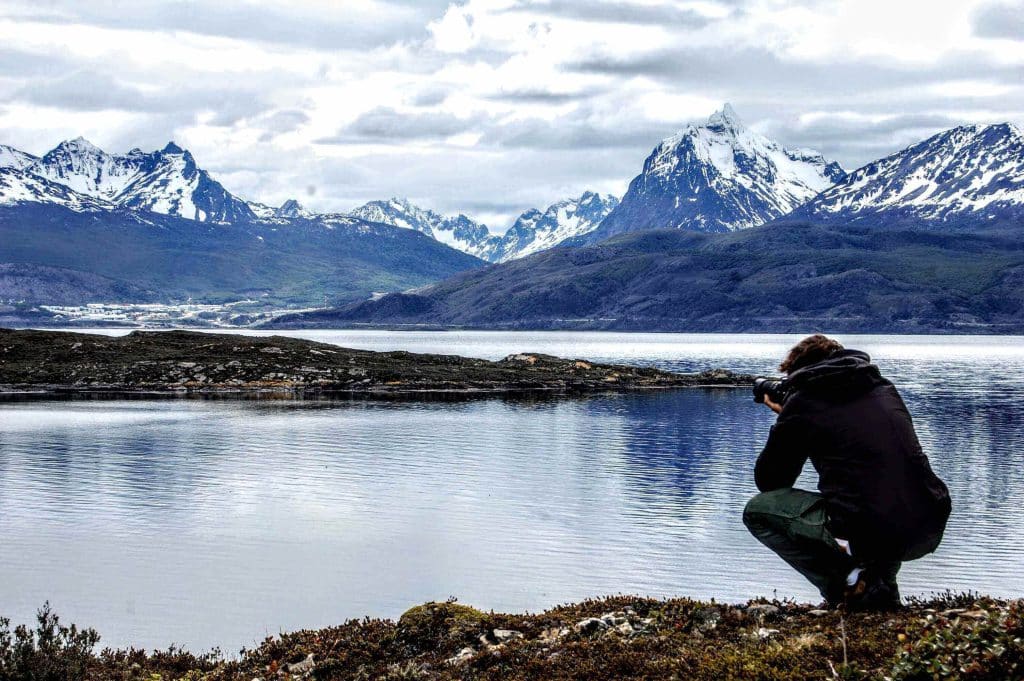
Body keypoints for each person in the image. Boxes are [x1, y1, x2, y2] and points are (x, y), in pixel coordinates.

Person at [743, 334, 951, 610]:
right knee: (883, 497)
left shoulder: (805, 402)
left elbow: (770, 482)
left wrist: (787, 419)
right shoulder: (883, 389)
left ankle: (848, 589)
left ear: (802, 373)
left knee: (758, 511)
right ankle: (881, 589)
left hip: (874, 528)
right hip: (928, 522)